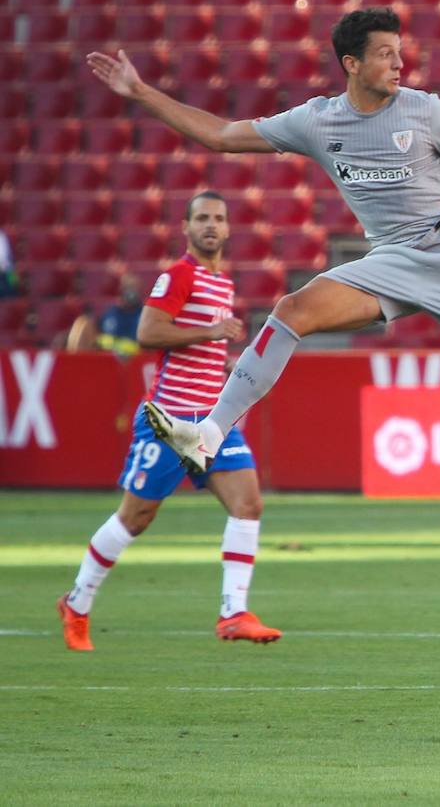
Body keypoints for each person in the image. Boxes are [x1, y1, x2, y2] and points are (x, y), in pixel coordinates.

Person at [86, 7, 440, 608]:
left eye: (400, 51)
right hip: (394, 260)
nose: (399, 62)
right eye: (386, 53)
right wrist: (140, 92)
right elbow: (221, 135)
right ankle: (209, 434)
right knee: (293, 309)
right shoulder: (317, 121)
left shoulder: (426, 111)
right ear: (352, 63)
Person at [57, 191, 280, 650]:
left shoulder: (223, 282)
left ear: (229, 228)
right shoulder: (179, 275)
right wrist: (210, 331)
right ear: (186, 228)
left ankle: (233, 613)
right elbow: (147, 332)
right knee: (134, 519)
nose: (211, 226)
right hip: (169, 420)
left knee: (249, 504)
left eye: (218, 218)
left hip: (213, 420)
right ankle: (77, 603)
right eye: (202, 219)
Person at [96, 273, 146, 355]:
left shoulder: (146, 314)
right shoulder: (111, 314)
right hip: (110, 360)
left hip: (140, 360)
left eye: (134, 288)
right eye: (128, 288)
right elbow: (104, 340)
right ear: (121, 290)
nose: (131, 292)